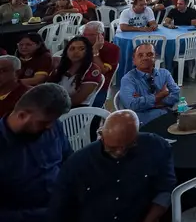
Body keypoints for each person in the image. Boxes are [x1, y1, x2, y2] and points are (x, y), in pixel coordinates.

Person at [48, 109, 175, 222]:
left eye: (128, 145)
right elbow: (60, 209)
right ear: (101, 135)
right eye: (112, 148)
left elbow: (165, 189)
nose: (120, 152)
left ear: (137, 133)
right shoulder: (77, 164)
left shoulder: (156, 146)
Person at [0, 83, 72, 222]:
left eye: (54, 121)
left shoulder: (52, 127)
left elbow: (69, 160)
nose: (50, 127)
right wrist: (46, 214)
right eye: (44, 122)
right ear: (22, 115)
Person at [119, 43, 180, 125]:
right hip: (144, 123)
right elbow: (132, 105)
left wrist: (151, 103)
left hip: (167, 116)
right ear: (134, 60)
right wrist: (160, 95)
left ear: (155, 57)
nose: (145, 58)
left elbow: (176, 95)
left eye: (149, 54)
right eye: (140, 55)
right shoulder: (128, 79)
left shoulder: (164, 74)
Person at [48, 36, 102, 107]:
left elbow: (77, 99)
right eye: (72, 48)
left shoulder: (93, 70)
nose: (76, 52)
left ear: (87, 51)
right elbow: (48, 87)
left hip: (76, 109)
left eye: (81, 49)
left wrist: (50, 106)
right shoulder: (61, 65)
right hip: (54, 103)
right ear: (66, 51)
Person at [81, 21, 119, 108]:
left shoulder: (112, 49)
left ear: (101, 35)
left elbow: (102, 71)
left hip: (99, 86)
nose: (86, 38)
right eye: (84, 34)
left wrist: (95, 52)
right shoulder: (80, 46)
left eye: (91, 35)